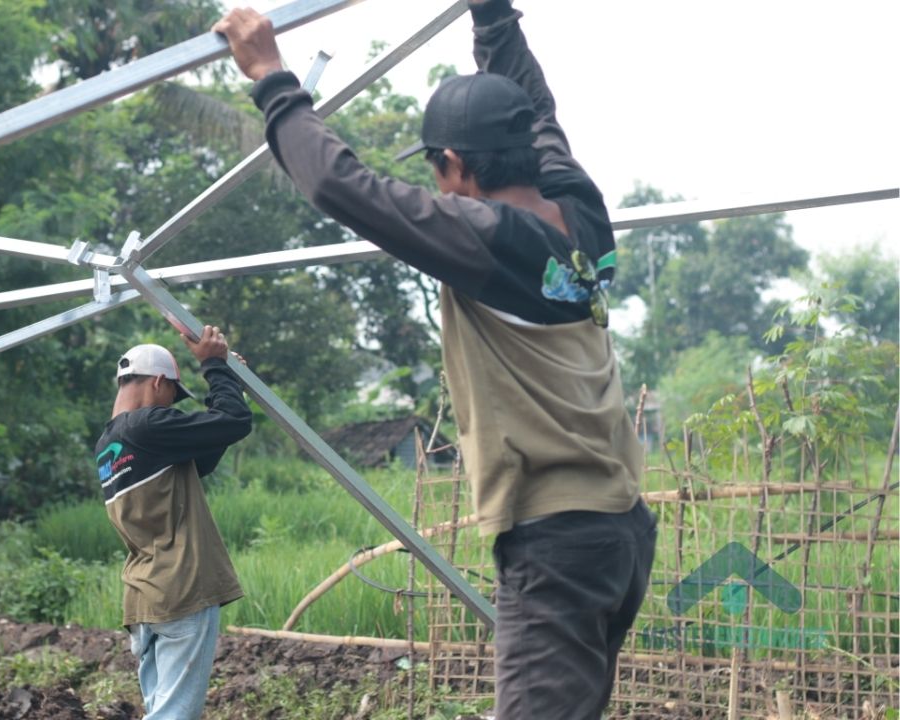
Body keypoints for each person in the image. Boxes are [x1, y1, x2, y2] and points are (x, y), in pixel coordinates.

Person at [214, 2, 656, 717]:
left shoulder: (488, 239)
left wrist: (270, 77)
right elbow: (536, 105)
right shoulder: (579, 209)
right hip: (619, 529)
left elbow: (343, 188)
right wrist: (492, 16)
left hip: (558, 538)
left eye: (439, 173)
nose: (441, 189)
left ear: (453, 164)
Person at [95, 327, 251, 720]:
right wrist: (213, 365)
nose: (173, 406)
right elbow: (234, 422)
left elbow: (203, 458)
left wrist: (230, 383)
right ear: (159, 382)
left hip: (145, 596)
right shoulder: (147, 425)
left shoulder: (110, 445)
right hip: (181, 589)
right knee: (174, 715)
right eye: (173, 396)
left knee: (161, 709)